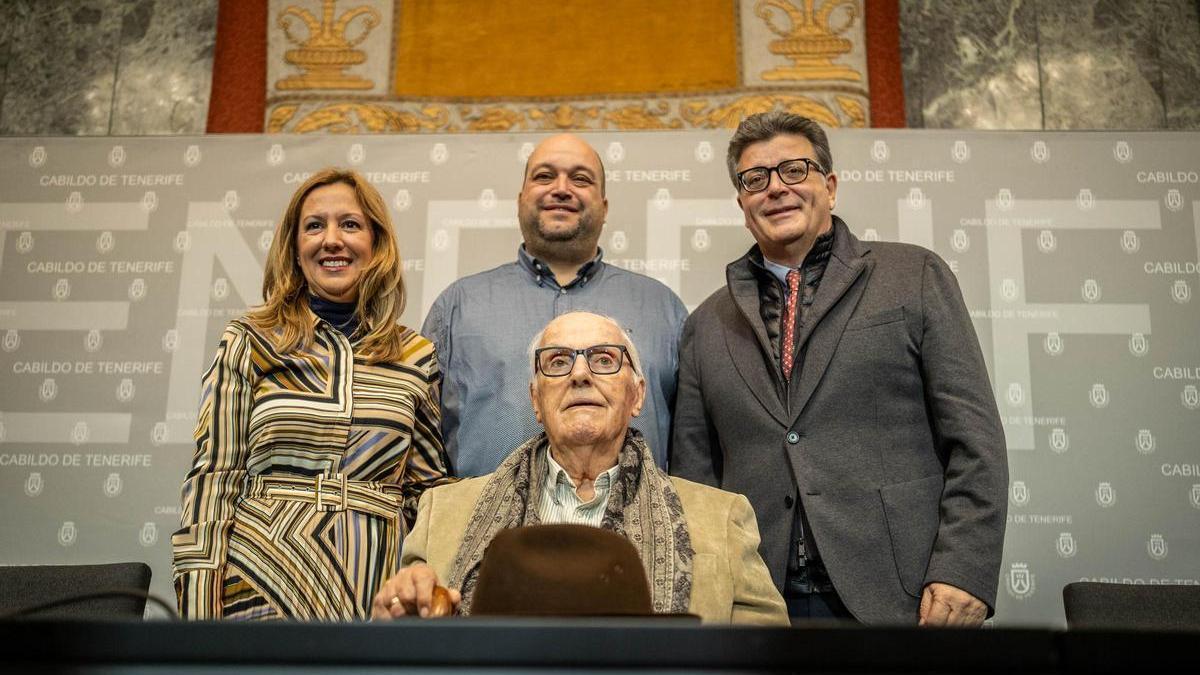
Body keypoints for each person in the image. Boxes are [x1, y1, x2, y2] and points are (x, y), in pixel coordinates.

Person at [671, 112, 1008, 626]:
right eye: (755, 179)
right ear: (742, 204)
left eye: (794, 170)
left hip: (906, 598)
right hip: (760, 604)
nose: (776, 189)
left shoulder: (914, 275)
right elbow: (694, 481)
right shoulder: (704, 325)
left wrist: (964, 568)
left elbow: (975, 439)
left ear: (829, 187)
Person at [370, 312, 788, 625]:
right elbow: (400, 644)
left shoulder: (722, 518)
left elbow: (767, 663)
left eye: (605, 359)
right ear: (535, 399)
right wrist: (393, 614)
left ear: (637, 395)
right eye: (557, 362)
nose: (581, 374)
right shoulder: (442, 512)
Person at [172, 168, 453, 620]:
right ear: (295, 248)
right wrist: (200, 613)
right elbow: (213, 479)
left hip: (374, 588)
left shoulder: (415, 355)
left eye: (350, 224)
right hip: (260, 582)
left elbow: (428, 493)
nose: (331, 239)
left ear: (377, 244)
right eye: (314, 226)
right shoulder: (249, 339)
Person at [422, 134, 687, 476]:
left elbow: (691, 451)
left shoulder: (664, 310)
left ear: (605, 207)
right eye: (544, 176)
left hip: (633, 529)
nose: (561, 189)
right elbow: (421, 447)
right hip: (488, 529)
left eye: (581, 179)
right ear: (520, 201)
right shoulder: (456, 308)